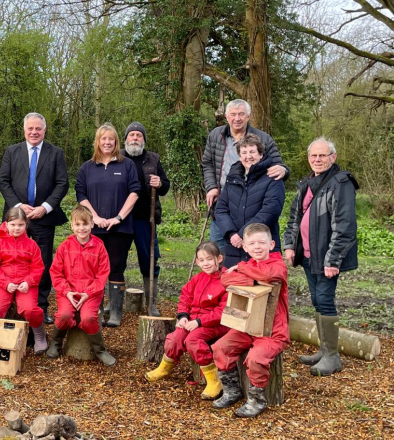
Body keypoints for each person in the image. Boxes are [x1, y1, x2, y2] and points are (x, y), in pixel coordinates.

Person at [283, 138, 358, 377]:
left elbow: (345, 226)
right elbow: (295, 216)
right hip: (307, 255)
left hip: (326, 257)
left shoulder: (340, 183)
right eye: (314, 156)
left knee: (325, 300)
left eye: (323, 155)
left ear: (333, 157)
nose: (317, 159)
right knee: (317, 300)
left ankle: (333, 356)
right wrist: (290, 245)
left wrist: (333, 259)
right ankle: (324, 349)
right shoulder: (308, 182)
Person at [212, 223, 289, 418]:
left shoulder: (278, 264)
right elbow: (226, 279)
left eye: (261, 242)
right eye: (252, 243)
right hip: (247, 326)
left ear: (271, 244)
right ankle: (233, 390)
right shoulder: (250, 266)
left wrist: (244, 269)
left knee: (255, 358)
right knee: (221, 347)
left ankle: (256, 399)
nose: (257, 247)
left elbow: (270, 275)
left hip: (272, 331)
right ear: (244, 247)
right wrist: (254, 281)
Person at [0, 113, 69, 324]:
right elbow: (3, 182)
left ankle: (40, 305)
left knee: (43, 262)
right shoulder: (12, 151)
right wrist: (19, 207)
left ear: (44, 130)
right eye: (30, 128)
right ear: (24, 130)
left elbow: (62, 184)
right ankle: (10, 304)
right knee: (11, 260)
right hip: (16, 219)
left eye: (38, 128)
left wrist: (45, 207)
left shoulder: (55, 153)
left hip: (43, 218)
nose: (34, 132)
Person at [145, 242, 229, 400]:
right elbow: (185, 297)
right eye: (201, 260)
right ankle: (164, 368)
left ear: (219, 258)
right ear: (197, 262)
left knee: (193, 340)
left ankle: (213, 380)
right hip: (193, 320)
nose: (206, 263)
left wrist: (199, 322)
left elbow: (222, 311)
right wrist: (183, 316)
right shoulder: (197, 279)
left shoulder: (225, 280)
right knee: (175, 338)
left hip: (215, 324)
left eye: (209, 259)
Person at [76, 123, 140, 327]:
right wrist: (94, 217)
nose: (107, 142)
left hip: (120, 228)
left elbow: (134, 191)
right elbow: (81, 194)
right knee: (94, 270)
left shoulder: (126, 165)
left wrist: (118, 217)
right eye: (103, 139)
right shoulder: (87, 167)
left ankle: (115, 312)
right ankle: (95, 309)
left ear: (116, 142)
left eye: (111, 139)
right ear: (98, 141)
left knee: (115, 268)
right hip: (93, 228)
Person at [202, 100, 289, 250]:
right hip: (224, 201)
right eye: (233, 114)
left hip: (253, 203)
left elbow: (277, 164)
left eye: (241, 114)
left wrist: (284, 169)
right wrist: (211, 187)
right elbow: (207, 163)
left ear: (248, 116)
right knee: (218, 251)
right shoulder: (216, 135)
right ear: (226, 116)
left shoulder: (263, 138)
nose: (237, 118)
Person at [0, 207, 48, 354]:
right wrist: (5, 283)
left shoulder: (32, 245)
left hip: (25, 284)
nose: (16, 228)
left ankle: (39, 334)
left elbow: (38, 267)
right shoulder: (0, 244)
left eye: (20, 225)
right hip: (4, 283)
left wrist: (29, 282)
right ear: (6, 224)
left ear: (26, 224)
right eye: (13, 225)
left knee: (29, 309)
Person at [47, 205, 115, 366]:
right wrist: (67, 291)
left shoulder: (99, 247)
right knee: (63, 316)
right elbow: (56, 272)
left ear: (92, 224)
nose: (81, 228)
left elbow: (102, 275)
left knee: (88, 318)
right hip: (67, 292)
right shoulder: (65, 247)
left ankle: (100, 350)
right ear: (72, 226)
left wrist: (88, 293)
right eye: (77, 224)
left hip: (91, 293)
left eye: (85, 224)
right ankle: (56, 343)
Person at [214, 134, 285, 268]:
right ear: (239, 156)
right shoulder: (233, 177)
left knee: (261, 287)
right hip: (234, 246)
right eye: (244, 152)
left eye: (252, 151)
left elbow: (271, 210)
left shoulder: (272, 177)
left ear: (261, 154)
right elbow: (221, 209)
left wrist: (243, 235)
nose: (248, 156)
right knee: (234, 285)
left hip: (261, 247)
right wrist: (232, 234)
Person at [122, 122, 171, 316]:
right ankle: (114, 303)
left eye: (139, 135)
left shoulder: (153, 159)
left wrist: (160, 183)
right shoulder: (117, 157)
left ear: (144, 140)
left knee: (149, 259)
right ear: (125, 139)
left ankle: (151, 302)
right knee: (116, 260)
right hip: (121, 219)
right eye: (131, 135)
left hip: (145, 219)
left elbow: (166, 187)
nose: (135, 138)